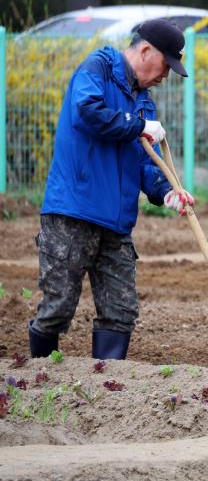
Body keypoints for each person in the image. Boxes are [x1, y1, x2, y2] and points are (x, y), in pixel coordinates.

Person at [27, 19, 195, 360]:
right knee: (58, 307)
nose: (166, 76)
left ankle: (107, 392)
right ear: (145, 50)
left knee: (120, 311)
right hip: (73, 213)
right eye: (166, 65)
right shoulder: (98, 69)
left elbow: (145, 164)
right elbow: (87, 112)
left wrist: (166, 191)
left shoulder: (144, 102)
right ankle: (38, 380)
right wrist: (137, 126)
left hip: (117, 223)